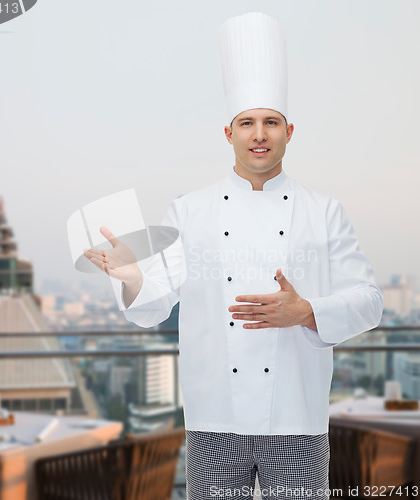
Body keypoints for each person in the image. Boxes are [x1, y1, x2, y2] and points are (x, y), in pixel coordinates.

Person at [84, 12, 383, 500]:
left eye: (270, 122)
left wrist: (306, 311)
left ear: (290, 130)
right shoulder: (189, 209)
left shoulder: (323, 211)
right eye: (247, 123)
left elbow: (370, 301)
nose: (259, 134)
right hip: (213, 417)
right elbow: (156, 301)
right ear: (229, 132)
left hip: (297, 418)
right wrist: (132, 276)